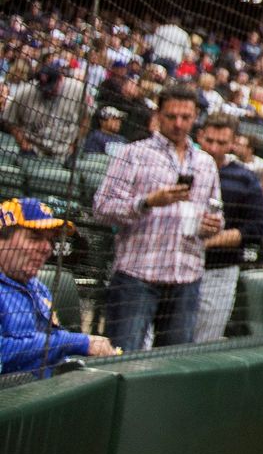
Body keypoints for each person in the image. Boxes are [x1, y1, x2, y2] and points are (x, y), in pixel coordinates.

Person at [92, 83, 221, 353]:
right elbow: (102, 207)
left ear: (195, 116)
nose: (178, 123)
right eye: (171, 116)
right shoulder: (133, 154)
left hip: (186, 274)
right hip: (138, 274)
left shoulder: (206, 163)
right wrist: (148, 202)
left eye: (185, 117)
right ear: (158, 115)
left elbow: (215, 212)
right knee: (121, 357)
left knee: (174, 364)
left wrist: (212, 226)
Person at [1, 198, 117, 376]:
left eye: (50, 240)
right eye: (34, 237)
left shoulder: (38, 289)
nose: (47, 248)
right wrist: (76, 343)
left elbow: (51, 345)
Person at [194, 111, 263, 342]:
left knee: (205, 340)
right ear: (200, 135)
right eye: (209, 140)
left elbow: (255, 230)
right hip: (175, 266)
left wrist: (210, 241)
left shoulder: (246, 178)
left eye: (221, 142)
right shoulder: (185, 166)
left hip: (219, 271)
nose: (213, 148)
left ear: (234, 142)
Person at [6, 59, 90, 160]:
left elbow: (86, 118)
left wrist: (74, 143)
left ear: (61, 79)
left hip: (64, 153)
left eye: (51, 88)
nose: (48, 92)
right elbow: (9, 119)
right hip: (33, 153)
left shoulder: (77, 90)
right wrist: (24, 144)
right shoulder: (26, 92)